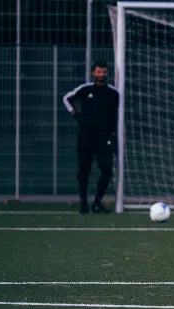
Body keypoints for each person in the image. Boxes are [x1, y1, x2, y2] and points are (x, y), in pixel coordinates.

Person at [62, 61, 119, 214]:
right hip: (86, 136)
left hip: (104, 137)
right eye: (99, 72)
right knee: (84, 170)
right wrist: (75, 114)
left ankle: (97, 202)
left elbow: (117, 115)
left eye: (104, 72)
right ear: (93, 73)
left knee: (106, 170)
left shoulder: (114, 93)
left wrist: (114, 135)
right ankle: (83, 202)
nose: (102, 75)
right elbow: (66, 98)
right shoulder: (85, 89)